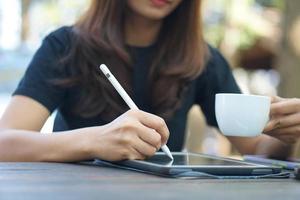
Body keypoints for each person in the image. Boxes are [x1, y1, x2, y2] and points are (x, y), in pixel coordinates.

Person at [0, 0, 299, 162]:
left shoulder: (201, 58)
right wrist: (93, 140)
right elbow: (5, 143)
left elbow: (256, 148)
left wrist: (286, 134)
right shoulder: (65, 46)